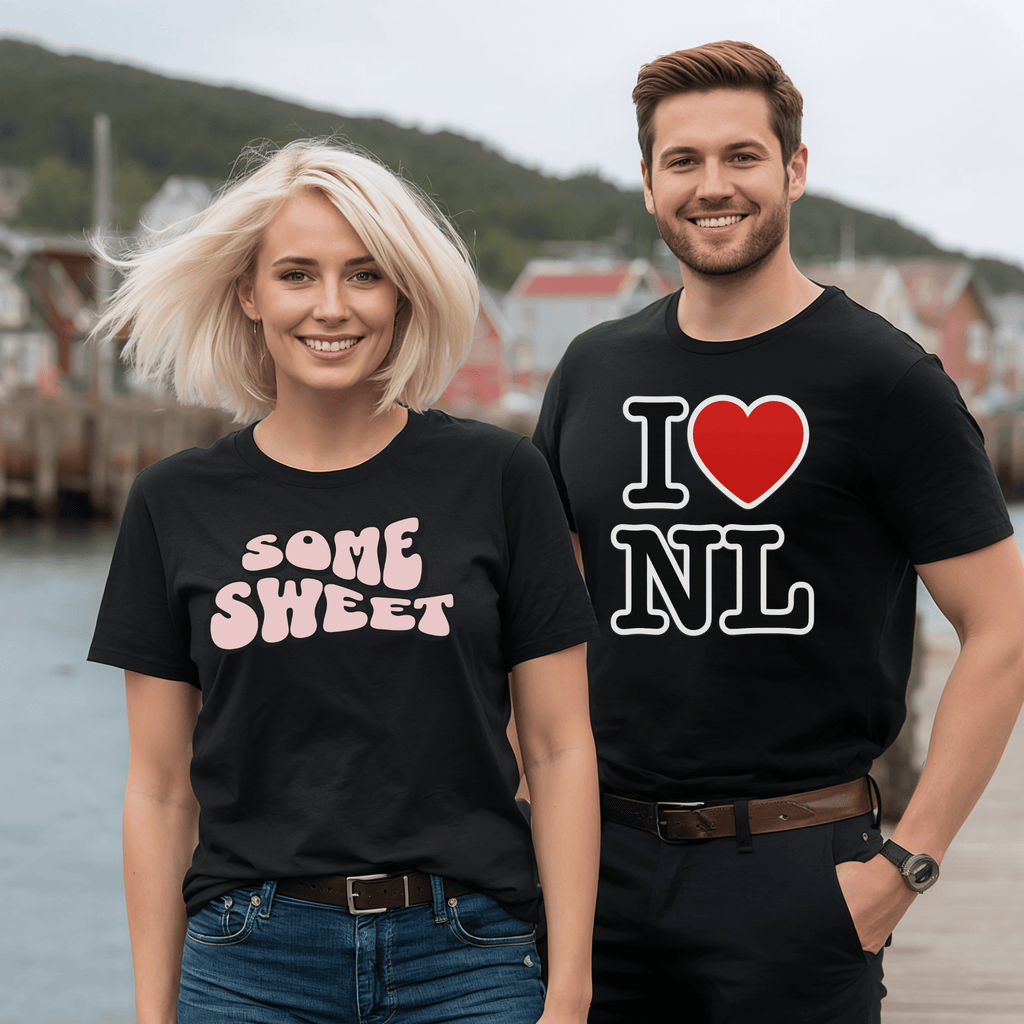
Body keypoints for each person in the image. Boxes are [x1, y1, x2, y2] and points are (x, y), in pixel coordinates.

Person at [532, 40, 1024, 1023]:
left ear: (794, 169)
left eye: (742, 156)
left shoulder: (884, 380)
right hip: (595, 868)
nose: (712, 185)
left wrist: (904, 866)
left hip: (799, 870)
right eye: (683, 160)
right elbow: (540, 627)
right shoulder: (592, 370)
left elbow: (1002, 629)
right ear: (648, 182)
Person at [88, 140, 600, 1024]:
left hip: (469, 960)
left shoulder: (501, 479)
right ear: (249, 293)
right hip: (249, 965)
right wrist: (152, 1013)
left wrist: (570, 992)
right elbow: (161, 790)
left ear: (402, 293)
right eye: (297, 274)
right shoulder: (174, 503)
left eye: (365, 274)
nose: (332, 306)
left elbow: (559, 750)